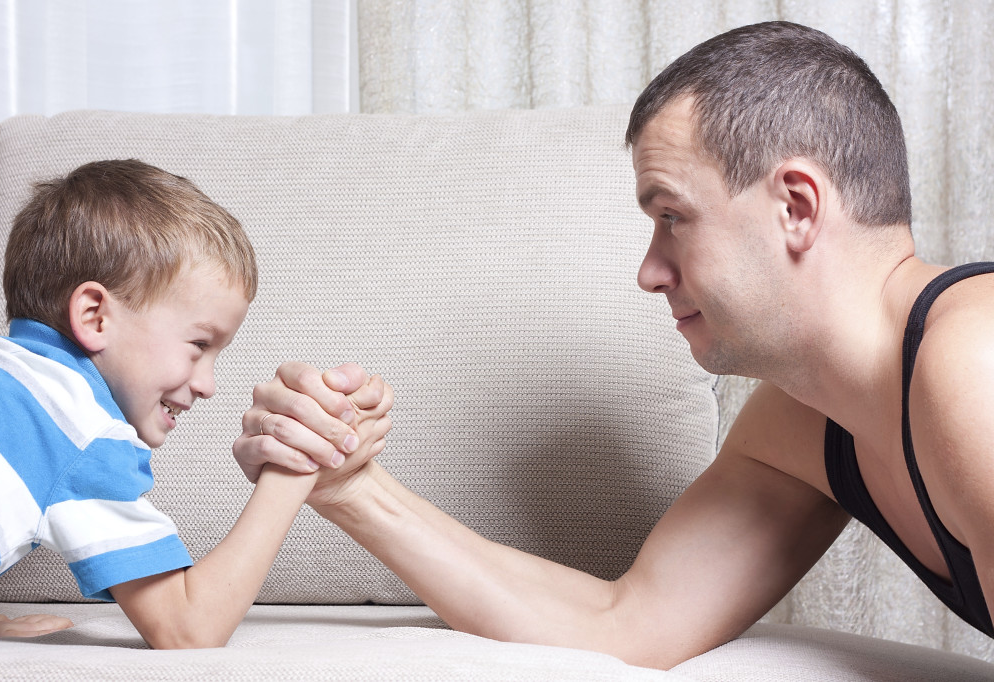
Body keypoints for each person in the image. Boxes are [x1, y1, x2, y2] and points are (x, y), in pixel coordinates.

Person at [233, 21, 994, 669]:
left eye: (672, 216)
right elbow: (625, 625)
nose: (648, 271)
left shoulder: (974, 366)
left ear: (795, 206)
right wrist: (349, 487)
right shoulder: (802, 423)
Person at [0, 159, 392, 646]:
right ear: (94, 316)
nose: (208, 384)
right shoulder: (76, 429)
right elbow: (187, 629)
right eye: (199, 345)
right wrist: (296, 467)